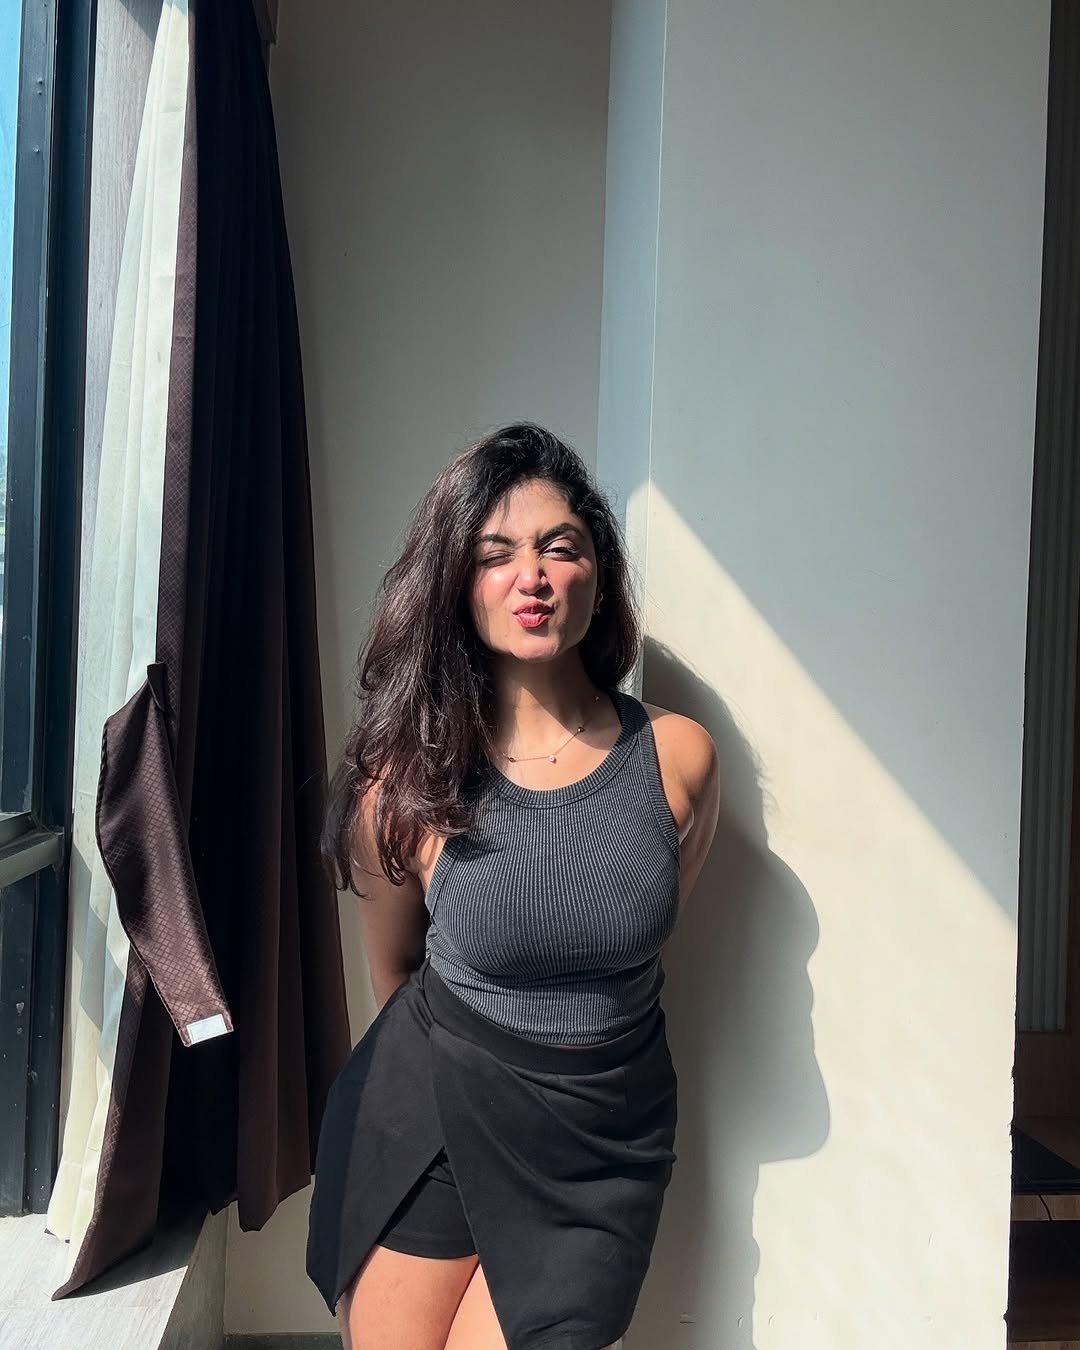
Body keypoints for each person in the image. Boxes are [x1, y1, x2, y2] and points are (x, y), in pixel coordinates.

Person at [306, 423, 720, 1350]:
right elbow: (395, 974)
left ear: (599, 573)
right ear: (459, 585)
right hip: (433, 1119)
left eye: (558, 547)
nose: (530, 576)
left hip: (601, 1143)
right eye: (495, 555)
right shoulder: (406, 783)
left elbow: (638, 930)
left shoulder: (678, 757)